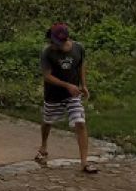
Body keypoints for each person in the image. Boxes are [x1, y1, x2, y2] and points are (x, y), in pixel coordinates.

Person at [36, 22, 98, 174]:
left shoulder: (78, 48)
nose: (55, 45)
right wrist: (67, 85)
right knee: (48, 121)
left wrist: (83, 85)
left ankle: (84, 162)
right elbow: (47, 76)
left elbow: (81, 65)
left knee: (80, 122)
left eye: (58, 43)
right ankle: (43, 145)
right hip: (53, 94)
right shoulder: (47, 52)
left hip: (73, 95)